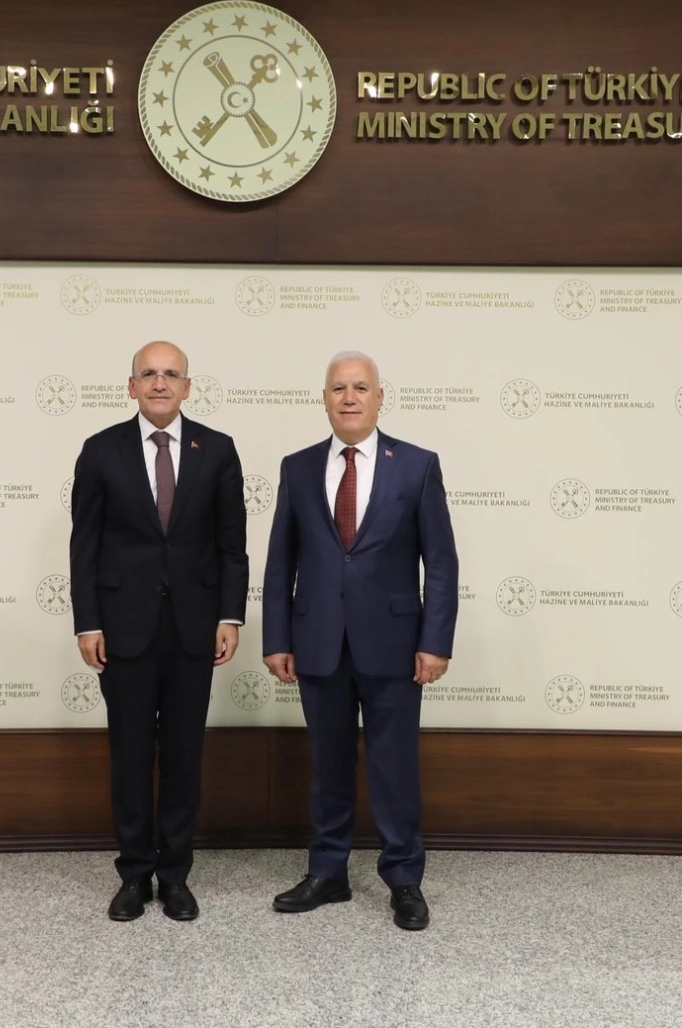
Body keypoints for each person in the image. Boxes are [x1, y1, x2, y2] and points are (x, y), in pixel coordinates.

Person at [261, 351, 458, 931]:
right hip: (317, 641)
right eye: (338, 388)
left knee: (394, 767)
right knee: (329, 765)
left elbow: (441, 563)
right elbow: (281, 561)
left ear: (379, 398)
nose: (349, 398)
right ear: (324, 399)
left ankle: (404, 879)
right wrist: (276, 637)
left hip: (395, 645)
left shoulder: (417, 465)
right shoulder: (297, 467)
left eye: (360, 388)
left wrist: (436, 642)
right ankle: (328, 873)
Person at [69, 340, 249, 922]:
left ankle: (174, 877)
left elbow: (232, 544)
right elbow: (84, 545)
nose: (160, 383)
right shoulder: (101, 450)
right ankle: (133, 875)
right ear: (132, 386)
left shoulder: (217, 449)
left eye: (171, 374)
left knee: (182, 755)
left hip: (195, 628)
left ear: (188, 387)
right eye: (148, 373)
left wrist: (229, 616)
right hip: (122, 629)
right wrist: (88, 622)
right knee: (129, 755)